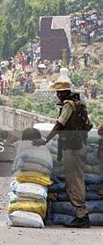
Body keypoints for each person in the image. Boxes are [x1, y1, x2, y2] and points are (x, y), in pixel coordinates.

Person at [33, 79, 93, 228]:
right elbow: (89, 125)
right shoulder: (80, 104)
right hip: (80, 145)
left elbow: (60, 124)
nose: (57, 95)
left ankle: (82, 215)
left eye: (59, 93)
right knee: (76, 179)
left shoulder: (68, 105)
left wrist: (46, 140)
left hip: (73, 148)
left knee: (74, 181)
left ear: (64, 92)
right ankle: (81, 213)